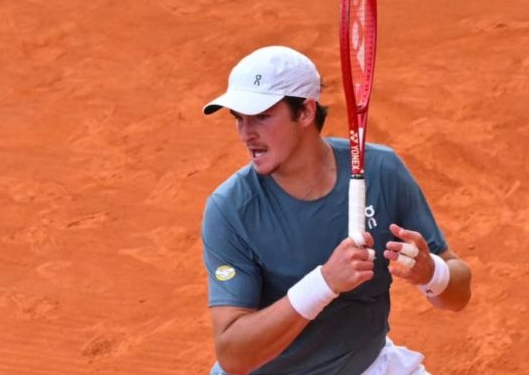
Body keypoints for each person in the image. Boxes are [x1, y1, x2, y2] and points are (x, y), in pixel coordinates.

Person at [201, 45, 472, 374]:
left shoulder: (382, 171)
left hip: (369, 365)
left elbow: (457, 294)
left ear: (305, 112)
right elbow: (233, 354)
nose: (246, 133)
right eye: (238, 119)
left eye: (261, 116)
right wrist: (324, 283)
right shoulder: (230, 209)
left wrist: (433, 274)